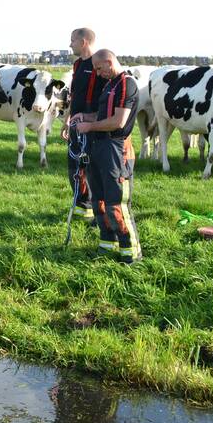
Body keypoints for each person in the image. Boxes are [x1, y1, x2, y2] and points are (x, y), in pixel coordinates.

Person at [71, 49, 142, 263]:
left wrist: (89, 126)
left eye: (100, 68)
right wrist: (84, 116)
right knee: (99, 200)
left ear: (109, 62)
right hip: (98, 146)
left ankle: (130, 252)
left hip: (116, 148)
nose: (98, 73)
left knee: (116, 203)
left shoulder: (126, 84)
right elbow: (103, 116)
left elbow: (118, 121)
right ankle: (107, 243)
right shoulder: (110, 84)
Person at [61, 28, 106, 220]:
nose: (70, 44)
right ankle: (82, 207)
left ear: (84, 42)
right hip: (75, 125)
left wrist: (94, 121)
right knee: (75, 167)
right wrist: (67, 120)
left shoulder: (99, 64)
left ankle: (100, 213)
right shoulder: (78, 64)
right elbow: (75, 96)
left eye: (73, 40)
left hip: (93, 127)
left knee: (93, 169)